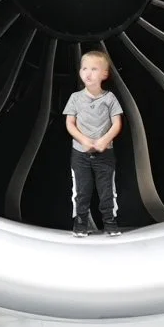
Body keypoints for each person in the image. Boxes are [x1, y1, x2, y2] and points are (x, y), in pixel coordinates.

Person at [62, 50, 123, 237]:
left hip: (105, 153)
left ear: (104, 74)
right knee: (81, 190)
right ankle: (80, 224)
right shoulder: (75, 98)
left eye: (94, 69)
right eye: (84, 68)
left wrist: (105, 140)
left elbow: (117, 123)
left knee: (107, 191)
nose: (88, 73)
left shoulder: (110, 98)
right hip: (80, 154)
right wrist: (83, 140)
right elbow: (69, 123)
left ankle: (110, 223)